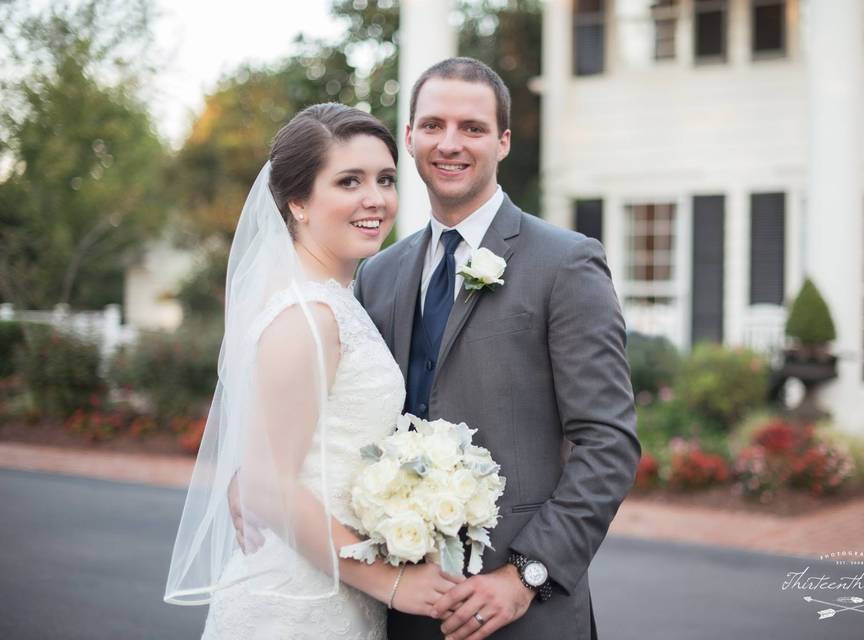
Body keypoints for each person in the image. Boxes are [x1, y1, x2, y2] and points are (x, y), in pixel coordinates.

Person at [353, 57, 641, 640]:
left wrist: (526, 575)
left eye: (473, 128)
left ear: (503, 141)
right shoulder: (377, 275)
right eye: (432, 125)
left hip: (524, 612)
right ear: (408, 136)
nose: (450, 144)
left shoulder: (566, 263)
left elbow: (608, 442)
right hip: (402, 606)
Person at [164, 103, 463, 639]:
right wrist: (390, 584)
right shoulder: (306, 316)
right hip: (292, 602)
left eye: (385, 179)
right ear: (298, 202)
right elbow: (267, 488)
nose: (375, 198)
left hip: (333, 590)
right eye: (349, 181)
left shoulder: (339, 300)